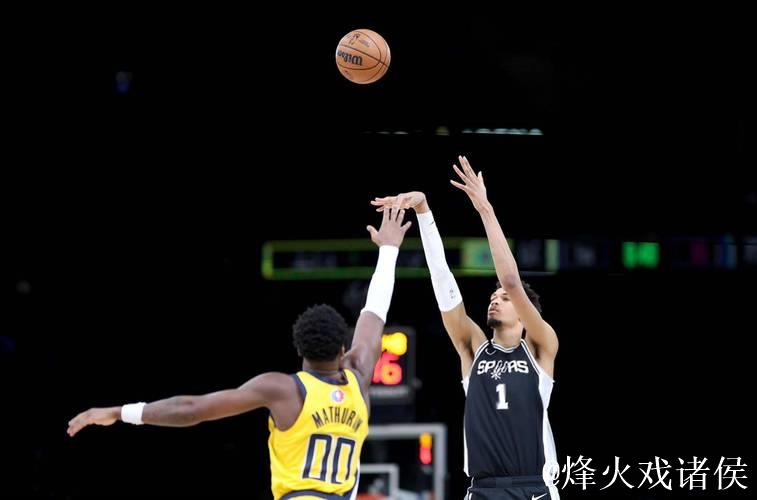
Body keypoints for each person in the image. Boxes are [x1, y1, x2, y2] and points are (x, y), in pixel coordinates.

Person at [67, 206, 412, 500]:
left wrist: (120, 412)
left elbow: (191, 409)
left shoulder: (283, 389)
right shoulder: (358, 377)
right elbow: (374, 313)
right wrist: (388, 250)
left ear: (298, 348)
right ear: (342, 348)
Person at [372, 156, 560, 500]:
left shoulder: (539, 346)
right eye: (493, 297)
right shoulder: (474, 349)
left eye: (504, 299)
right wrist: (424, 212)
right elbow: (443, 282)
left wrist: (485, 209)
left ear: (525, 313)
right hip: (483, 489)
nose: (495, 300)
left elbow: (511, 281)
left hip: (534, 487)